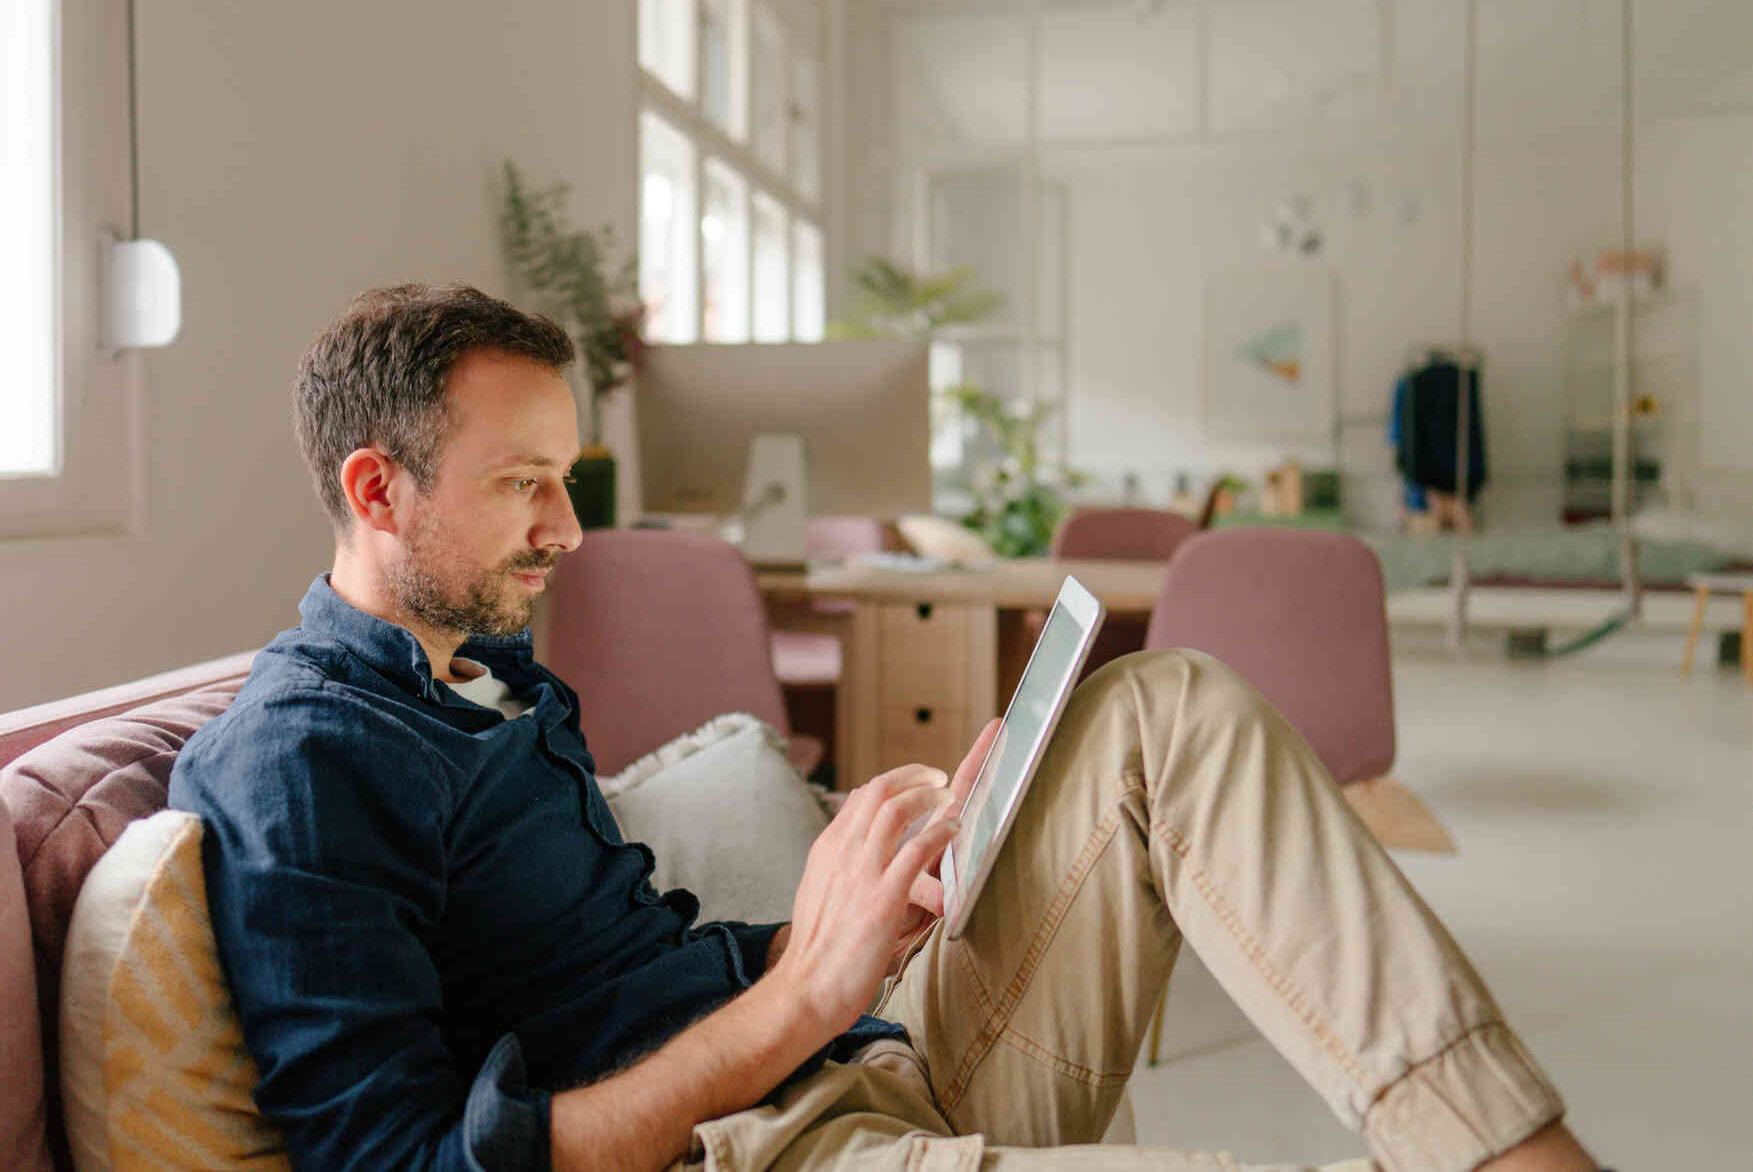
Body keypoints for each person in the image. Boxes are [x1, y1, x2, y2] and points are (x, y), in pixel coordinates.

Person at [170, 284, 1604, 1172]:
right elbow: (407, 1160)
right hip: (758, 1141)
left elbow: (611, 977)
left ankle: (1515, 1150)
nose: (567, 525)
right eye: (521, 483)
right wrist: (797, 995)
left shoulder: (487, 672)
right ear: (376, 488)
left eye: (567, 476)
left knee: (1160, 709)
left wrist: (843, 926)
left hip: (848, 1044)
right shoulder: (300, 763)